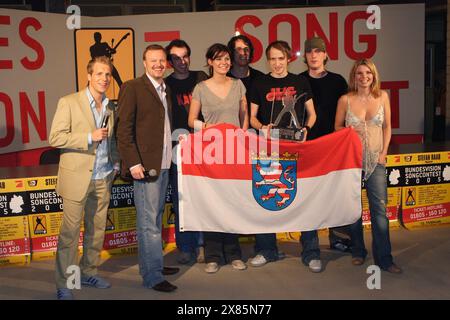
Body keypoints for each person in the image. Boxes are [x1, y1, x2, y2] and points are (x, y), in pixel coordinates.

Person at [49, 56, 120, 300]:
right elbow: (55, 138)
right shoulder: (69, 102)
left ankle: (88, 272)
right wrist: (88, 137)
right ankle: (65, 283)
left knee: (96, 231)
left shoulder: (110, 106)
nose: (104, 79)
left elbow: (111, 139)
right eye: (99, 74)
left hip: (103, 176)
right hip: (76, 179)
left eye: (108, 74)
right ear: (88, 76)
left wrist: (115, 160)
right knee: (69, 235)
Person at [116, 44, 180, 293]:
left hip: (163, 164)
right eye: (153, 60)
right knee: (148, 223)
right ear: (144, 62)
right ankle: (152, 276)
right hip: (144, 166)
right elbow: (123, 130)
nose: (158, 64)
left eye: (162, 60)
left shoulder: (166, 88)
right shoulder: (132, 87)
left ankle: (154, 263)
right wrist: (133, 163)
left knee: (154, 218)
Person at [249, 40, 317, 270]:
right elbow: (252, 118)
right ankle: (267, 250)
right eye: (272, 59)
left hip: (297, 148)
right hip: (268, 148)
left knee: (305, 199)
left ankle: (311, 252)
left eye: (281, 58)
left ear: (288, 58)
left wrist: (306, 129)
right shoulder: (260, 83)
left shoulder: (300, 81)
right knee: (266, 195)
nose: (277, 63)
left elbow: (312, 114)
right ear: (267, 60)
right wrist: (262, 127)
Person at [335, 58, 402, 274]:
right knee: (354, 209)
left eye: (368, 73)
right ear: (354, 76)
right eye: (360, 73)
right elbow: (336, 126)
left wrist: (383, 153)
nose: (364, 77)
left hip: (377, 161)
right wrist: (348, 135)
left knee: (379, 212)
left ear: (374, 75)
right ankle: (358, 251)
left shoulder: (382, 96)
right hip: (351, 162)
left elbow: (388, 127)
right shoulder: (345, 99)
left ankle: (384, 258)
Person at [188, 43, 249, 274]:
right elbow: (191, 120)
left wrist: (242, 136)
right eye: (219, 59)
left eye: (227, 59)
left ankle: (233, 253)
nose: (224, 63)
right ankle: (213, 255)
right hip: (210, 153)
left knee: (232, 202)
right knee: (213, 203)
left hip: (234, 153)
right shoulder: (201, 88)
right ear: (210, 62)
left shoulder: (238, 85)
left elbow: (244, 118)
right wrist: (209, 127)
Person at [299, 37, 352, 268]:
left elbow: (349, 114)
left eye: (318, 51)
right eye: (309, 51)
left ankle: (338, 239)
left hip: (332, 147)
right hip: (306, 148)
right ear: (305, 56)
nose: (313, 55)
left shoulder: (338, 81)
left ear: (325, 55)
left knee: (334, 195)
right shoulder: (298, 81)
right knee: (308, 198)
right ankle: (310, 248)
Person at [164, 39, 208, 265]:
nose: (182, 61)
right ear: (170, 61)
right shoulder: (165, 85)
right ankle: (186, 247)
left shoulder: (201, 78)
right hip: (176, 151)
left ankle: (202, 245)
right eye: (176, 58)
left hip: (204, 150)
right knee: (181, 201)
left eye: (185, 56)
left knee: (203, 199)